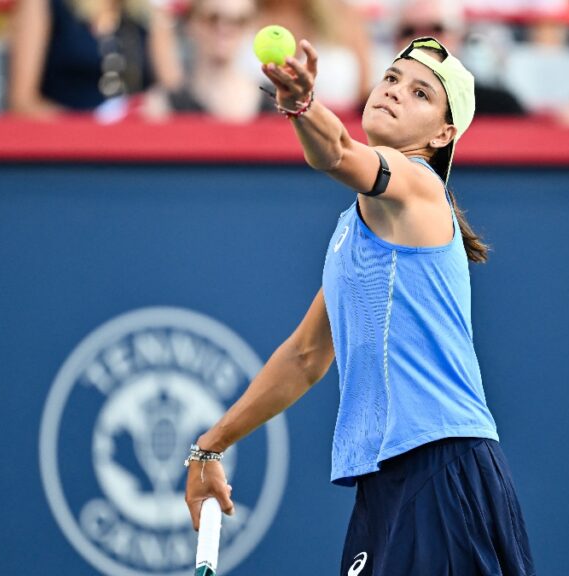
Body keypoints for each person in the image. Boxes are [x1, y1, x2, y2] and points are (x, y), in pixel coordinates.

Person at [184, 36, 535, 575]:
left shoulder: (417, 185)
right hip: (391, 481)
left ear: (444, 134)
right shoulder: (358, 228)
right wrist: (210, 447)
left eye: (420, 93)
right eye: (392, 78)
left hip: (443, 468)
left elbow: (338, 154)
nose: (395, 92)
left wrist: (302, 105)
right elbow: (305, 356)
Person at [9, 0, 181, 118]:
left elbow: (175, 93)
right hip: (64, 149)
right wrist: (86, 129)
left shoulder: (146, 16)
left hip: (130, 148)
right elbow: (23, 102)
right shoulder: (45, 5)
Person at [394, 0, 526, 116]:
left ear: (460, 36)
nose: (421, 40)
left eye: (437, 29)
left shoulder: (501, 106)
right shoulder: (377, 104)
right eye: (409, 31)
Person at [255, 0, 373, 113]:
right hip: (258, 131)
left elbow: (364, 95)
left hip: (337, 128)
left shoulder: (345, 15)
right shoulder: (243, 13)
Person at [167, 0, 272, 122]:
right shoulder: (163, 107)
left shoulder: (277, 102)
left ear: (251, 26)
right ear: (191, 22)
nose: (225, 28)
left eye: (239, 21)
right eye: (213, 18)